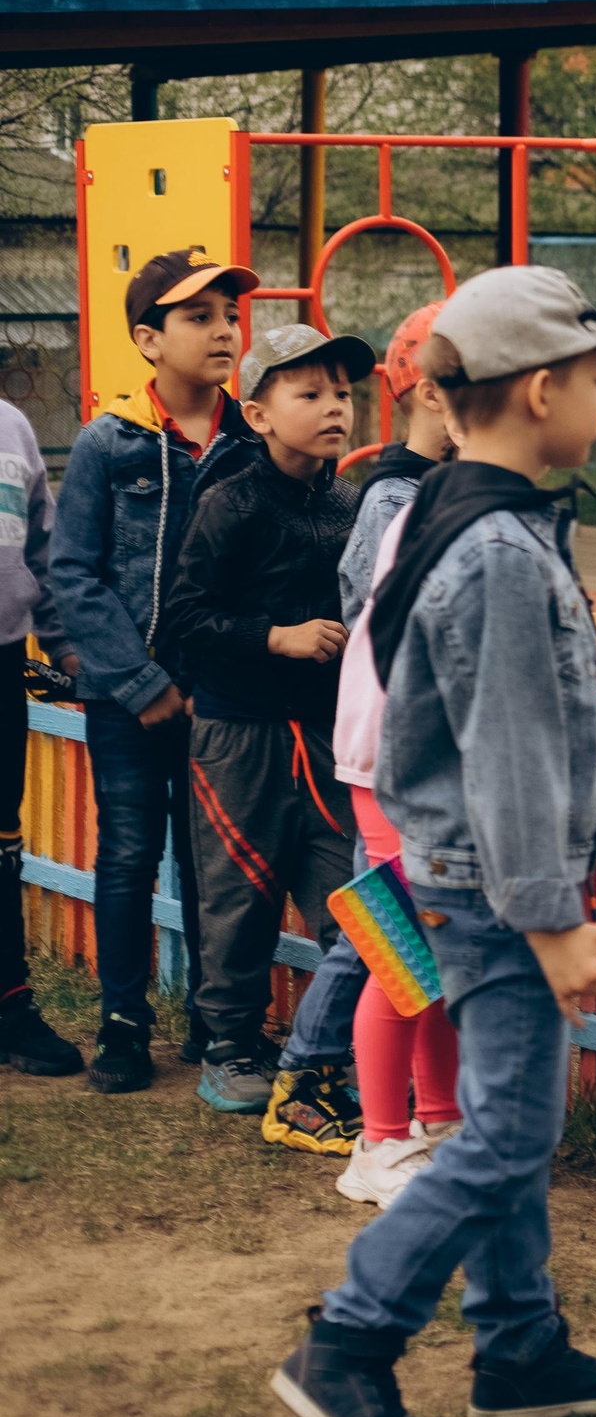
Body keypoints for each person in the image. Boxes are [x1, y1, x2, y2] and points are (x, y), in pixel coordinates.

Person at [272, 265, 596, 1417]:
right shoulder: (495, 550)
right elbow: (504, 753)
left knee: (506, 1120)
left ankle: (519, 1347)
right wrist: (549, 919)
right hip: (494, 894)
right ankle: (349, 1340)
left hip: (475, 879)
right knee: (506, 1135)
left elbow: (535, 726)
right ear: (541, 390)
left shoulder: (461, 518)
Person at [52, 249, 262, 1093]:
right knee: (130, 854)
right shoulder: (110, 443)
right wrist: (138, 684)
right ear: (148, 338)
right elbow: (72, 573)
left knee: (217, 860)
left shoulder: (254, 438)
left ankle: (217, 1024)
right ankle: (123, 1022)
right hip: (125, 697)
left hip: (222, 698)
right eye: (198, 316)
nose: (223, 330)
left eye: (228, 314)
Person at [162, 324, 372, 1124]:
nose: (333, 409)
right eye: (309, 392)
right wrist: (273, 636)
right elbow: (183, 614)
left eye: (343, 393)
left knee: (352, 897)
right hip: (237, 732)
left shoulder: (350, 505)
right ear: (256, 413)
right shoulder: (231, 500)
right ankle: (232, 1048)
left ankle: (346, 1052)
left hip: (326, 737)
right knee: (239, 893)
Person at [326, 301, 464, 1204]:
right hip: (396, 766)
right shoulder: (407, 503)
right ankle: (378, 1140)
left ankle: (439, 1117)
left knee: (441, 955)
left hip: (432, 766)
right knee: (401, 957)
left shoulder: (448, 500)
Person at [0, 385, 80, 1076]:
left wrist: (65, 646)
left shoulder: (13, 427)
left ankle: (11, 1006)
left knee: (3, 844)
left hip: (2, 664)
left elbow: (44, 552)